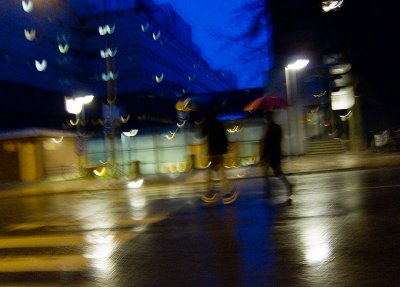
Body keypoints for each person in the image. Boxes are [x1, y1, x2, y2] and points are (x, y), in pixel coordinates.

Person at [199, 108, 238, 204]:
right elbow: (225, 138)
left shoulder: (207, 124)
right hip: (219, 152)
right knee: (216, 173)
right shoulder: (219, 123)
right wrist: (224, 150)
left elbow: (201, 134)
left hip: (212, 153)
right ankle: (215, 193)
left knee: (215, 174)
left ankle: (225, 194)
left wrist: (202, 124)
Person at [261, 110, 293, 197]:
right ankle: (271, 190)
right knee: (275, 171)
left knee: (276, 172)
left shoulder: (269, 129)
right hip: (277, 152)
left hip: (272, 154)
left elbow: (267, 144)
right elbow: (279, 139)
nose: (265, 119)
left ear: (267, 118)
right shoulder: (277, 127)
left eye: (265, 117)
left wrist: (263, 155)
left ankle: (286, 185)